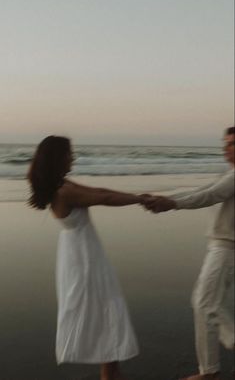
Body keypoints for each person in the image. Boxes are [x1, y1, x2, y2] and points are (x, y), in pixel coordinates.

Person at [27, 135, 150, 380]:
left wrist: (139, 197)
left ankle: (113, 372)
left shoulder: (61, 186)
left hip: (78, 252)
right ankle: (110, 374)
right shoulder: (64, 192)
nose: (73, 157)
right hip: (83, 257)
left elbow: (99, 191)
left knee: (104, 309)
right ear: (58, 158)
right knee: (104, 309)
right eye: (69, 153)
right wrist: (140, 199)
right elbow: (104, 197)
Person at [144, 126, 235, 380]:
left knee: (205, 304)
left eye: (233, 143)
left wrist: (171, 203)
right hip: (220, 247)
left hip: (227, 250)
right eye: (226, 143)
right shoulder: (230, 173)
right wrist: (167, 199)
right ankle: (212, 367)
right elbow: (200, 190)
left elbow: (210, 195)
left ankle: (209, 373)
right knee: (206, 303)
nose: (226, 148)